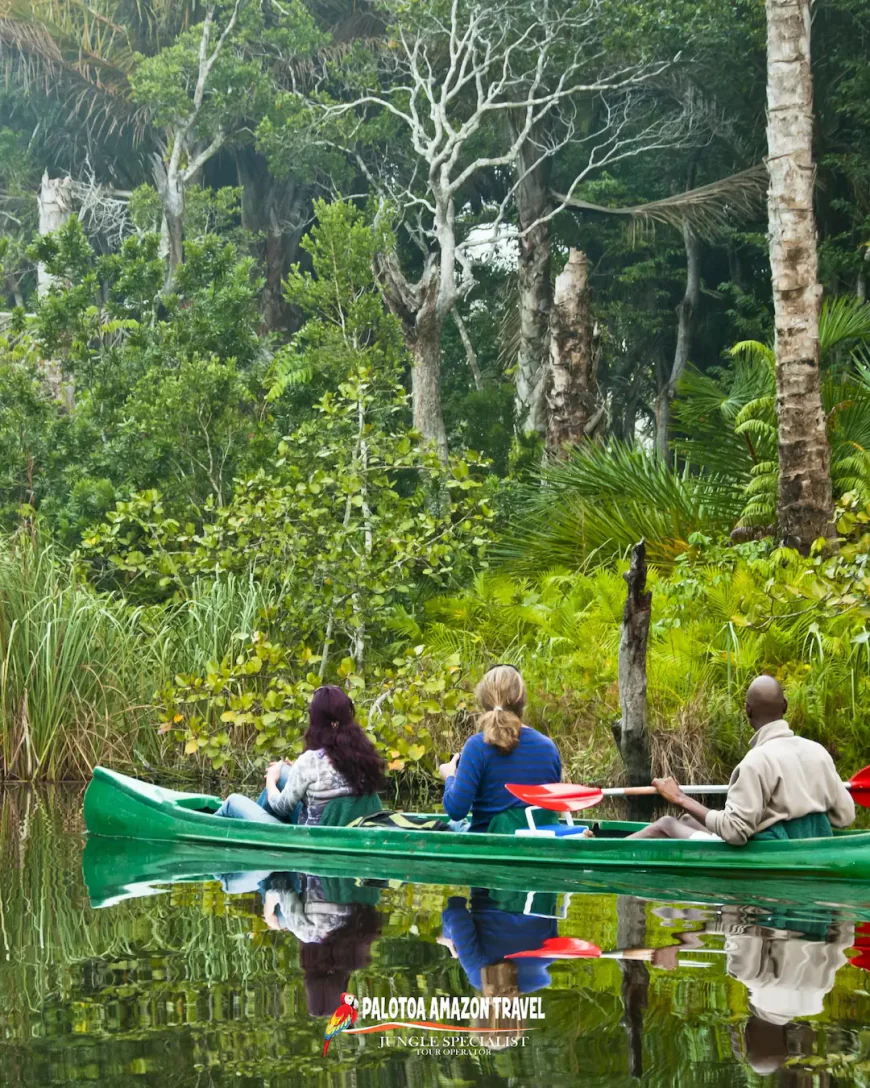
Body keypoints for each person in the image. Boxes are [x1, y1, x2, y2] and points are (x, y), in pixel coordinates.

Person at [628, 675, 855, 842]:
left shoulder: (755, 762)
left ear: (747, 711)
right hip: (809, 844)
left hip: (771, 850)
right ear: (784, 706)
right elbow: (845, 816)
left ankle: (594, 848)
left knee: (666, 824)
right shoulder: (818, 752)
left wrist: (680, 798)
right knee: (687, 821)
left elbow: (735, 833)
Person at [214, 685, 386, 826]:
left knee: (232, 801)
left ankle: (257, 829)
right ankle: (260, 819)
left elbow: (282, 807)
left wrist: (270, 782)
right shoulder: (364, 756)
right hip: (347, 825)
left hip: (314, 835)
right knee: (282, 770)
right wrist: (293, 769)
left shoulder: (309, 762)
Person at [438, 664, 561, 832]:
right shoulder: (548, 747)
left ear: (483, 701)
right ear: (522, 701)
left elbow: (456, 810)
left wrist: (450, 776)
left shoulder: (477, 746)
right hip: (539, 840)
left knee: (452, 825)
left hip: (489, 843)